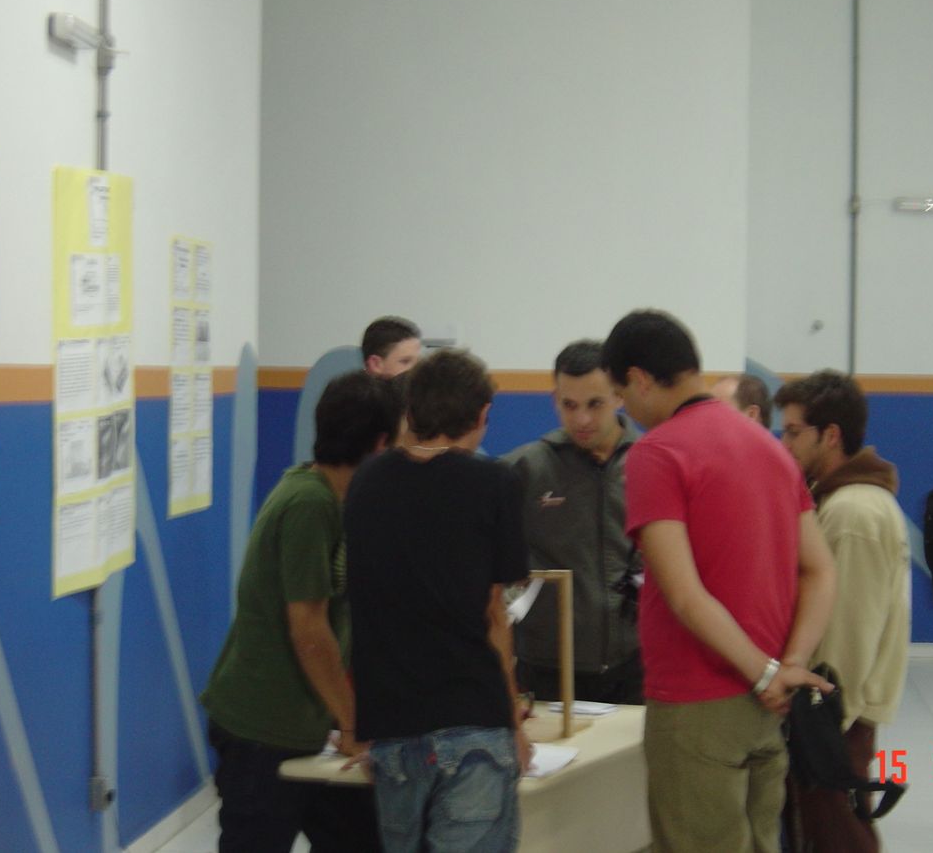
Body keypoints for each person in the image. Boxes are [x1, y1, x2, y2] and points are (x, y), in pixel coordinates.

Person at [600, 309, 837, 853]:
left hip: (696, 704)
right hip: (767, 708)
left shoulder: (657, 452)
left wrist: (764, 673)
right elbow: (821, 569)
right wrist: (789, 665)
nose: (624, 409)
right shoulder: (769, 447)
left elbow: (684, 595)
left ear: (639, 379)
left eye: (619, 395)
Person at [200, 372, 402, 853]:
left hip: (310, 725)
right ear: (380, 442)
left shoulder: (334, 496)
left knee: (363, 839)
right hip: (263, 728)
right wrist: (351, 724)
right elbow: (308, 630)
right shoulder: (309, 504)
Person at [344, 349, 531, 853]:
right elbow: (494, 615)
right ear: (483, 414)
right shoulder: (495, 483)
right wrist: (514, 721)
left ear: (411, 410)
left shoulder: (366, 482)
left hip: (392, 725)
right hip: (472, 716)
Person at [774, 369, 910, 853]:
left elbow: (849, 632)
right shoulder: (840, 501)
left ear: (830, 435)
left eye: (794, 432)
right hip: (832, 713)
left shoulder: (854, 512)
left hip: (836, 716)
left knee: (840, 838)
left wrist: (823, 722)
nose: (785, 444)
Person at [503, 340, 643, 705]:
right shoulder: (523, 469)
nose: (581, 419)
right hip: (545, 667)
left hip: (637, 664)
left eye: (595, 404)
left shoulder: (652, 463)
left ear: (619, 396)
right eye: (569, 405)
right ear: (555, 400)